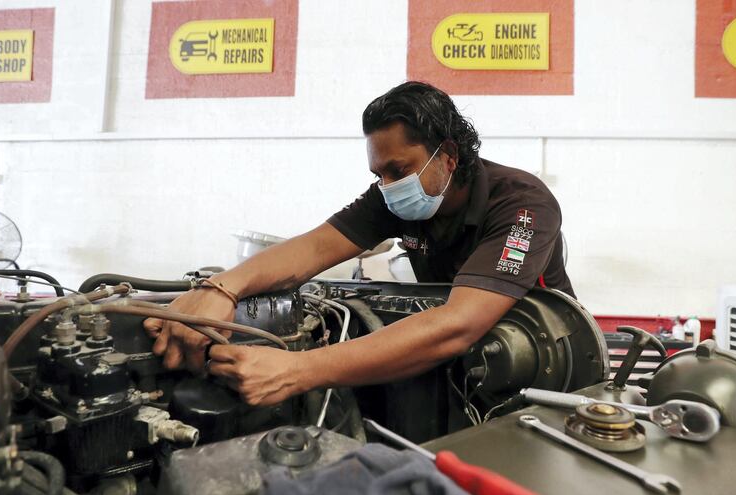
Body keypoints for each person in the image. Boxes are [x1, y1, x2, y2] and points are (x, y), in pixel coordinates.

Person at [143, 82, 574, 406]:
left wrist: (297, 371)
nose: (387, 187)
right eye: (378, 175)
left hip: (544, 370)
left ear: (447, 156)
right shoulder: (400, 199)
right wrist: (220, 288)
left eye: (397, 169)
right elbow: (313, 248)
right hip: (459, 367)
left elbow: (459, 324)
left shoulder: (522, 204)